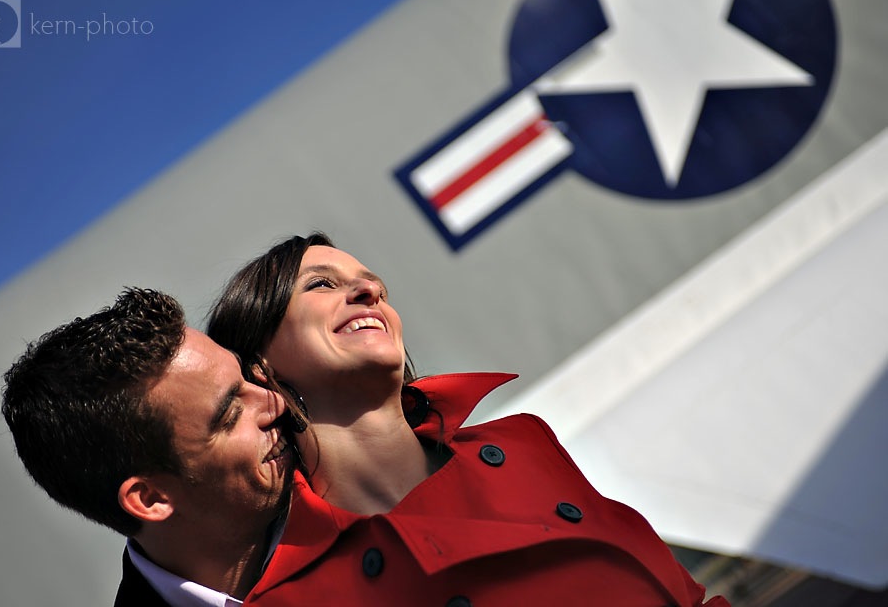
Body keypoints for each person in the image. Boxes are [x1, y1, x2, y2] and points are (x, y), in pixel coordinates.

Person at [207, 233, 730, 606]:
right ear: (260, 364)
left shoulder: (524, 444)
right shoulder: (290, 595)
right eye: (320, 284)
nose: (369, 294)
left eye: (375, 286)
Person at [1, 288, 297, 606]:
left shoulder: (349, 485)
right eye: (230, 415)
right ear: (150, 498)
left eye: (246, 377)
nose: (276, 402)